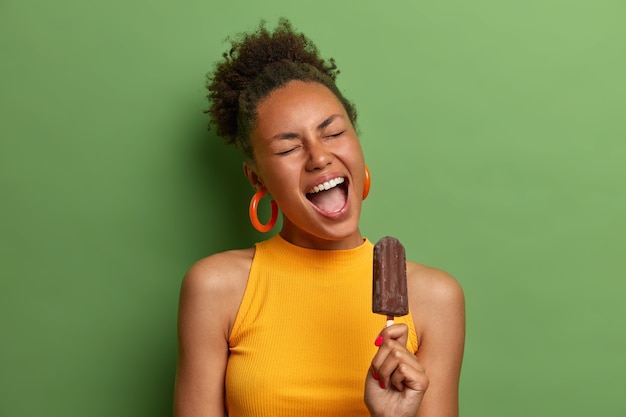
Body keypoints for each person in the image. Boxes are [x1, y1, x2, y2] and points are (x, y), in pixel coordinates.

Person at [174, 18, 465, 417]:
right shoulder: (216, 290)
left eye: (332, 133)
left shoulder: (435, 299)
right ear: (257, 176)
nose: (319, 157)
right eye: (288, 147)